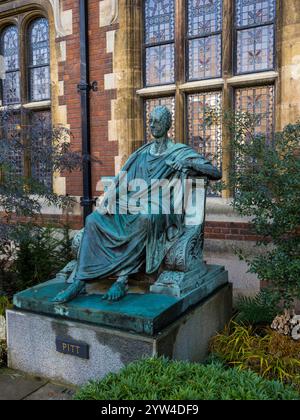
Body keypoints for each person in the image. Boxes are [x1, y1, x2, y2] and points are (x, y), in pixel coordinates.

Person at [53, 106, 221, 304]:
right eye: (150, 121)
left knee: (145, 217)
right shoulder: (141, 153)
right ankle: (80, 281)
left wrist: (189, 165)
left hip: (162, 207)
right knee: (94, 219)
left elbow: (215, 173)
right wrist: (110, 197)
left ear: (167, 124)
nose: (152, 125)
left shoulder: (179, 152)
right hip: (133, 201)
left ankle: (123, 279)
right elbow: (122, 180)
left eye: (156, 122)